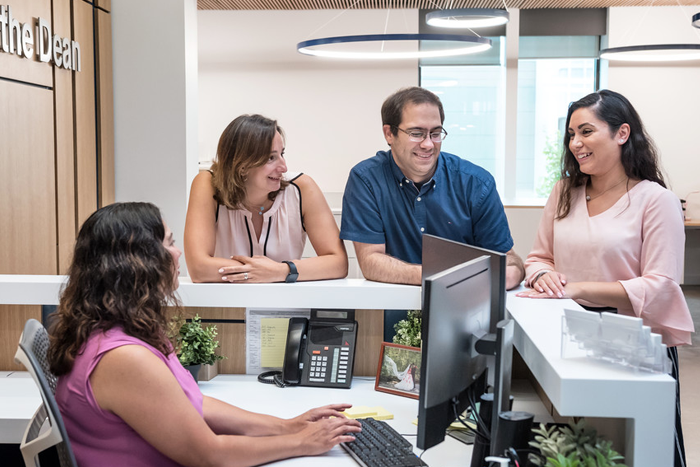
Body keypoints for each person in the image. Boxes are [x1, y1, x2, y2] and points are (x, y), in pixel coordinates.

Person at [47, 202, 361, 467]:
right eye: (169, 243)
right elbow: (209, 454)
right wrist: (301, 443)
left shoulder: (120, 328)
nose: (178, 252)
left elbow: (194, 403)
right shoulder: (124, 358)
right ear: (138, 263)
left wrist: (286, 425)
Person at [517, 90, 693, 467]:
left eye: (585, 131)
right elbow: (538, 257)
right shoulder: (564, 192)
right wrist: (544, 275)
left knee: (639, 448)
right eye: (570, 134)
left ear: (622, 133)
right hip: (567, 332)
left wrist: (575, 288)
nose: (575, 143)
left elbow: (662, 284)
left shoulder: (655, 200)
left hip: (634, 343)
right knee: (577, 440)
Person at [340, 87, 525, 338]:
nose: (428, 144)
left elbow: (508, 261)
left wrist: (508, 272)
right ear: (389, 133)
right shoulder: (366, 179)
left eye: (436, 133)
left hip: (467, 323)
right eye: (417, 133)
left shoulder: (476, 183)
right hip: (391, 322)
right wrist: (454, 278)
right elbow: (372, 262)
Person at [185, 114, 347, 283]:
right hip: (227, 306)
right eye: (271, 158)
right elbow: (198, 268)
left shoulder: (302, 188)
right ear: (241, 165)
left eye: (282, 154)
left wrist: (280, 271)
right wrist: (259, 272)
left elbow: (338, 263)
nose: (284, 167)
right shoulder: (207, 184)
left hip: (286, 305)